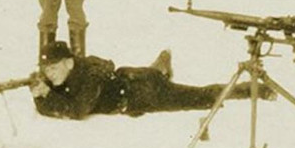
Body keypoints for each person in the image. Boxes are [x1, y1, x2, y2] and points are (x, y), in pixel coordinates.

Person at [29, 41, 268, 120]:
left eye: (53, 68)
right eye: (46, 70)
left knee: (201, 96)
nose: (49, 75)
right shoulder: (71, 71)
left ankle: (252, 89)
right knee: (155, 73)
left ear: (69, 63)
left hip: (145, 93)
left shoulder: (89, 77)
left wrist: (46, 97)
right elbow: (51, 100)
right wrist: (42, 94)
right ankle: (161, 66)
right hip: (134, 75)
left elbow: (77, 110)